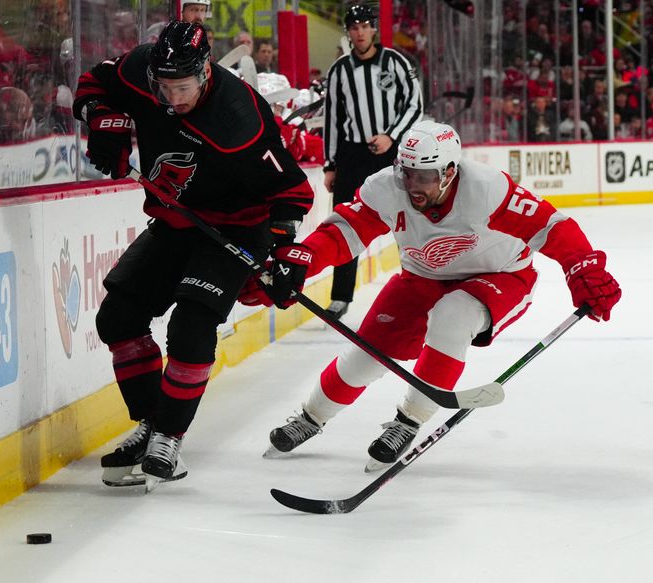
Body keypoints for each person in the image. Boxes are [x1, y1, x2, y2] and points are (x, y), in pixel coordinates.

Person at [240, 120, 620, 469]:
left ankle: (409, 420)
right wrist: (302, 262)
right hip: (421, 277)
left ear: (450, 171)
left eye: (425, 176)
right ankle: (311, 417)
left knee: (453, 316)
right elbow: (343, 234)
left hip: (499, 276)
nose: (413, 185)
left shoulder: (487, 190)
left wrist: (582, 266)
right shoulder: (387, 187)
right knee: (368, 356)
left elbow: (551, 226)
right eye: (407, 173)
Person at [72, 21, 313, 488]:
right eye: (164, 87)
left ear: (206, 71)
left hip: (235, 229)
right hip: (175, 222)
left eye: (182, 87)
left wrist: (282, 253)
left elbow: (291, 191)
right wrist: (104, 119)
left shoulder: (239, 115)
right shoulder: (144, 68)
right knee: (117, 318)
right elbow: (92, 84)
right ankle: (148, 423)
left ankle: (169, 437)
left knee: (192, 325)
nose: (171, 98)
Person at [322, 4, 423, 319]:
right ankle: (340, 297)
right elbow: (333, 119)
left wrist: (391, 136)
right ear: (348, 33)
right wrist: (330, 164)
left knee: (409, 221)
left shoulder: (395, 62)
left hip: (390, 151)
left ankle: (419, 287)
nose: (360, 32)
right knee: (343, 222)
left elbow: (415, 104)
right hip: (352, 155)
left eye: (365, 26)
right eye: (354, 27)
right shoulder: (339, 69)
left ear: (374, 29)